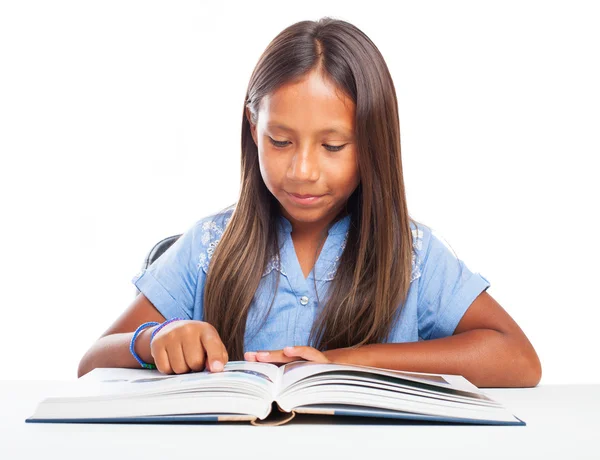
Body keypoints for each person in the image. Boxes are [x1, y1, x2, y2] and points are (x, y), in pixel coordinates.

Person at [77, 17, 541, 388]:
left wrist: (341, 365)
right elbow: (91, 363)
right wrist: (153, 339)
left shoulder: (412, 253)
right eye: (280, 141)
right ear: (253, 128)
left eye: (333, 147)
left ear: (373, 143)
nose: (302, 170)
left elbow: (518, 358)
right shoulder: (207, 246)